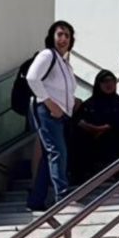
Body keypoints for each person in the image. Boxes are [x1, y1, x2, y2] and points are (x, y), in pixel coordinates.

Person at [25, 20, 78, 211]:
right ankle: (62, 196)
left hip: (60, 113)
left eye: (67, 35)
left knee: (52, 155)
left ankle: (36, 200)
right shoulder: (48, 55)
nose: (63, 39)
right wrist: (49, 102)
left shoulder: (64, 63)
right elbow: (32, 78)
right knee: (58, 152)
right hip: (47, 110)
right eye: (60, 34)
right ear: (52, 37)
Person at [71, 69, 119, 183]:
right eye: (104, 81)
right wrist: (92, 129)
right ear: (98, 84)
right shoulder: (89, 104)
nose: (108, 84)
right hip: (91, 139)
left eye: (111, 81)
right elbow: (78, 120)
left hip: (115, 139)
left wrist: (103, 129)